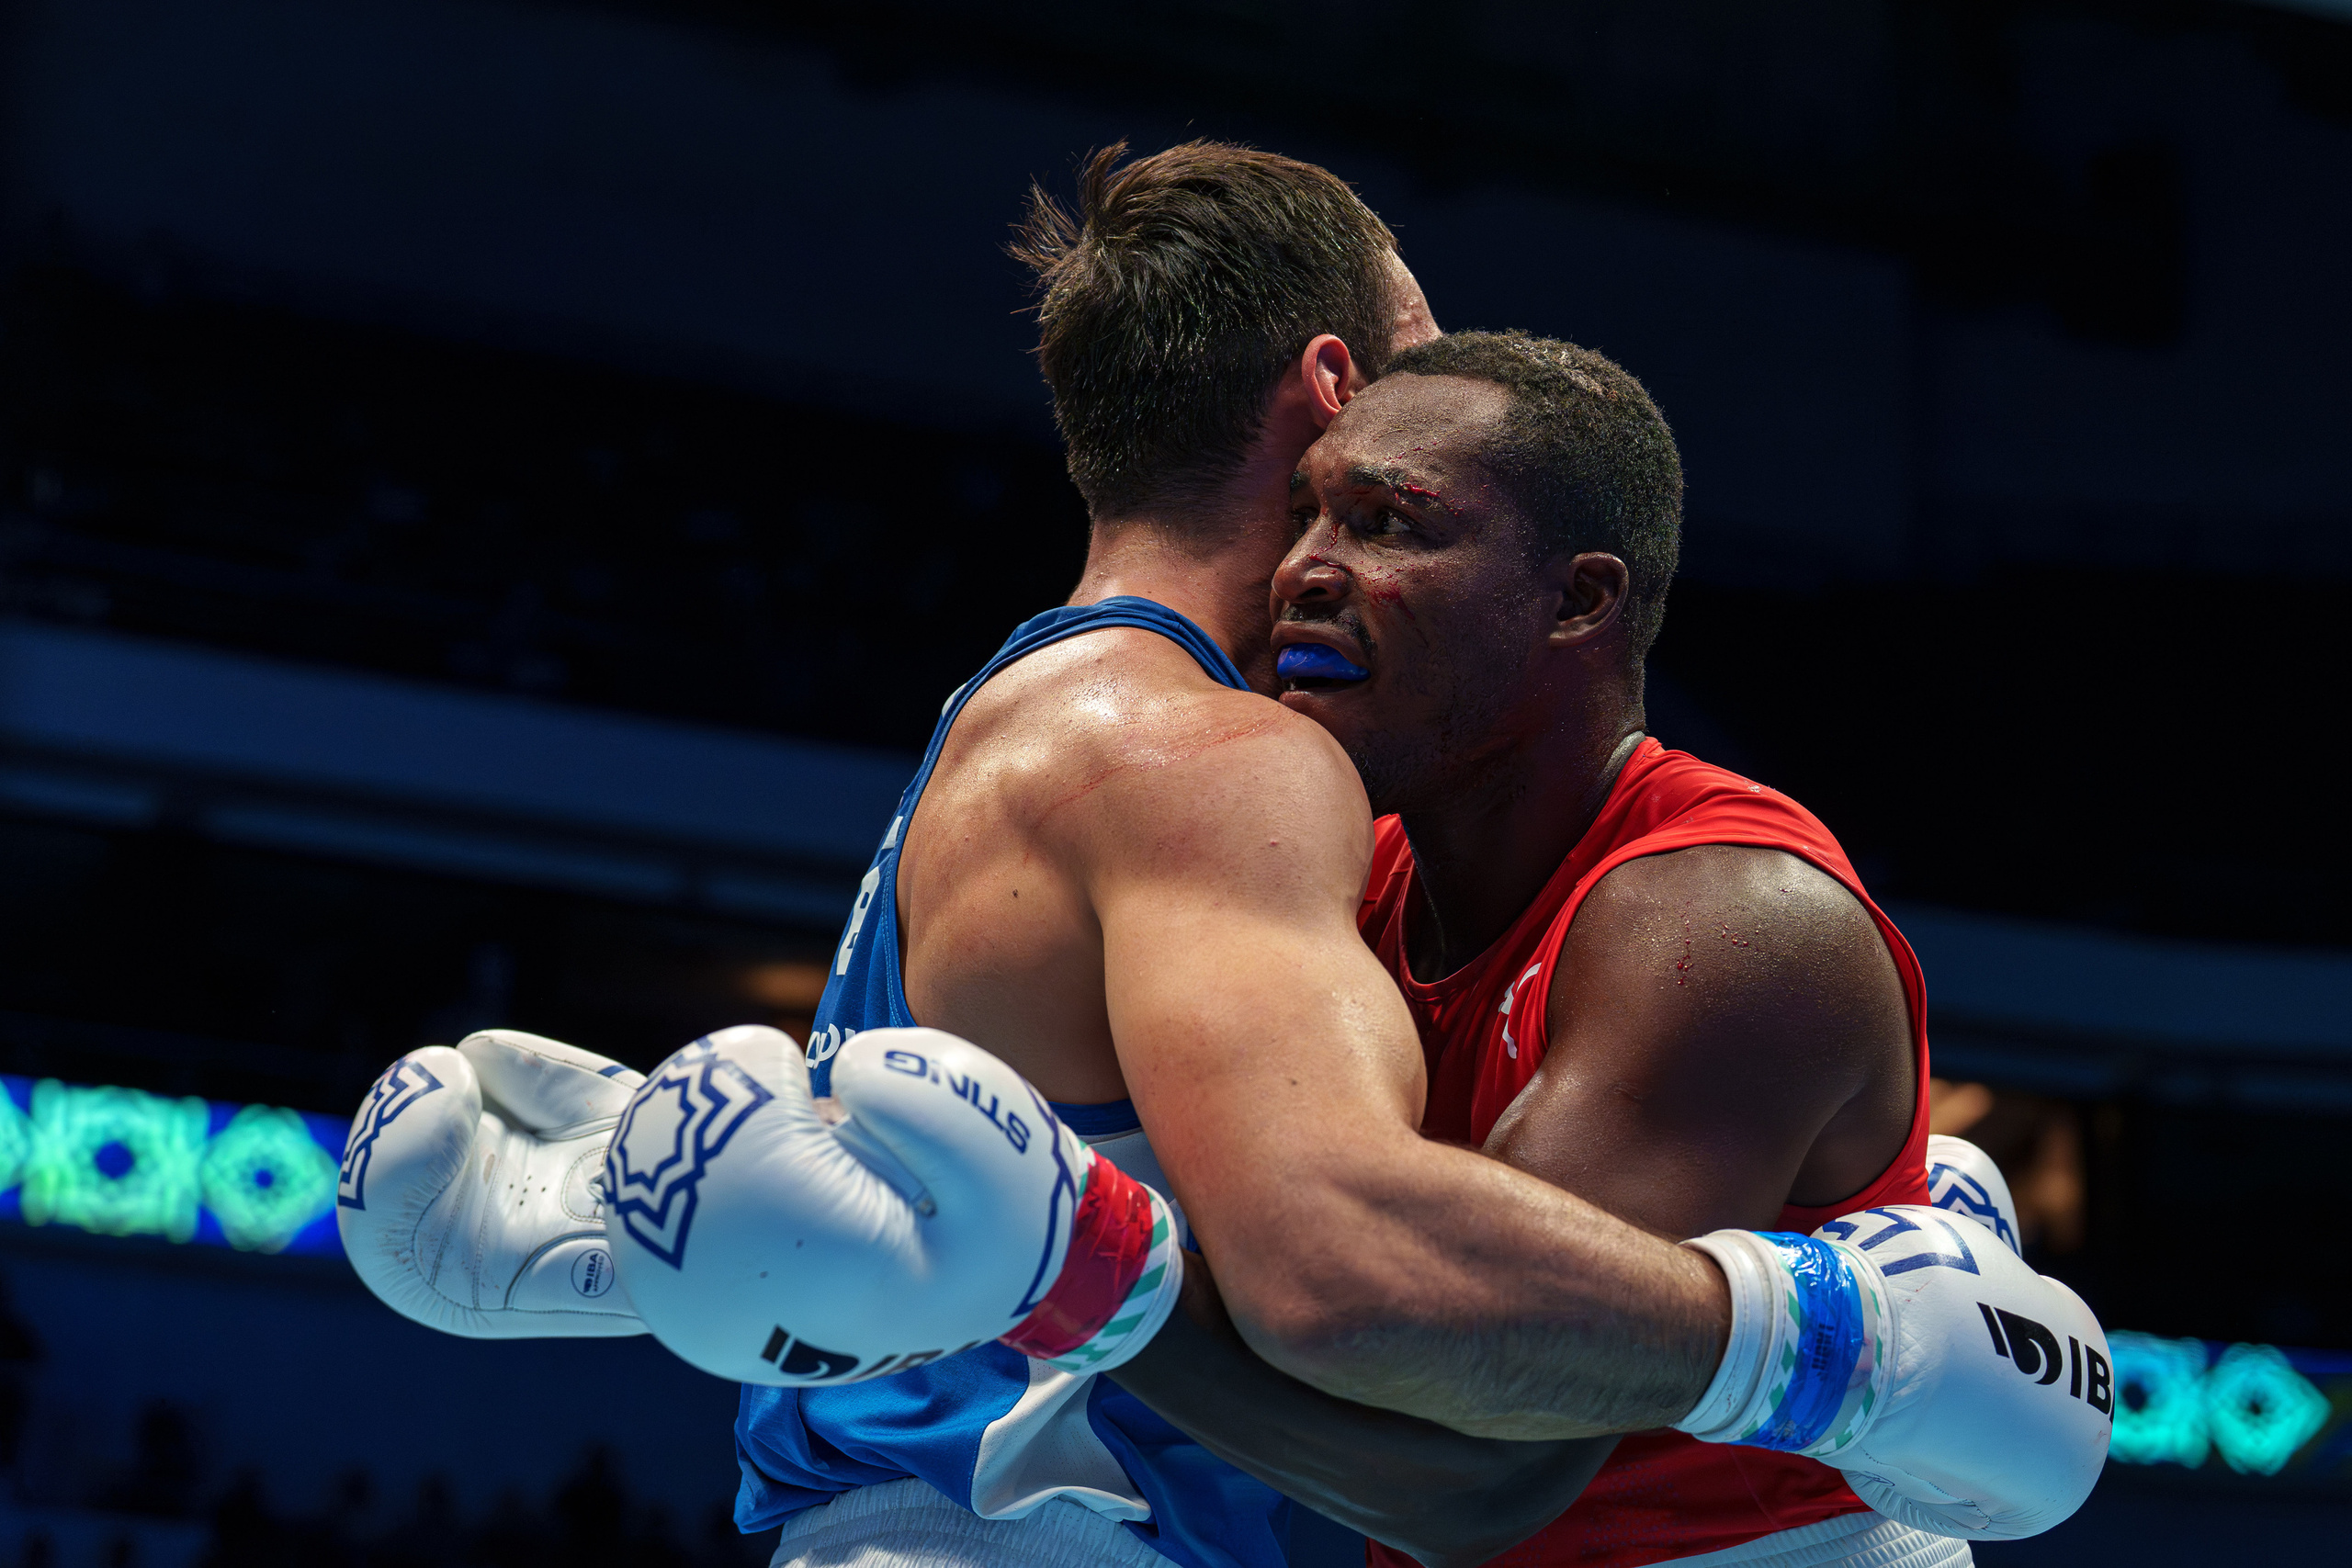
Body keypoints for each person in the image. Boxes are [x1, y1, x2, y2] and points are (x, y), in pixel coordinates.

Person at [337, 144, 2108, 1568]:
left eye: (1397, 522)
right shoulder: (1225, 764)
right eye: (1356, 474)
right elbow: (1331, 1265)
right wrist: (1842, 1342)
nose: (1331, 558)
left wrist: (624, 1239)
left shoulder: (1037, 712)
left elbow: (1044, 1211)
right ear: (1336, 387)